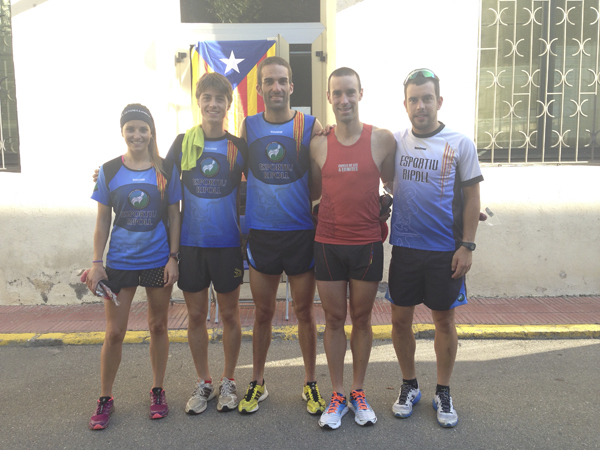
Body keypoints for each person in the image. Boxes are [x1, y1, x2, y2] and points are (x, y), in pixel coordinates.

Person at [388, 69, 483, 428]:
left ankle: (443, 391)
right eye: (413, 99)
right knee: (400, 321)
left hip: (445, 251)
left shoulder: (460, 143)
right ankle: (409, 385)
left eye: (427, 98)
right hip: (405, 248)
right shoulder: (395, 141)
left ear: (439, 101)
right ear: (405, 105)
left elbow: (472, 198)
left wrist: (467, 246)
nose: (420, 106)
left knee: (444, 321)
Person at [236, 56, 326, 415]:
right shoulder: (248, 126)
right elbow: (232, 169)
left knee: (304, 311)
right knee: (263, 313)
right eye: (269, 82)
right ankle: (258, 381)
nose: (276, 87)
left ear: (291, 86)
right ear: (259, 89)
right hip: (262, 234)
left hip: (300, 233)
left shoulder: (310, 125)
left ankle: (310, 383)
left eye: (281, 81)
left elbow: (320, 180)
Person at [309, 67, 395, 430]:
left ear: (360, 93)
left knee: (361, 319)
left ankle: (358, 391)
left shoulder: (383, 140)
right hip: (328, 244)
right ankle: (338, 393)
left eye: (350, 92)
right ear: (329, 97)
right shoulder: (317, 144)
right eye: (337, 93)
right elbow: (314, 192)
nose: (344, 100)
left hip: (367, 245)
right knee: (333, 320)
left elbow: (396, 184)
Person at [86, 104, 182, 430]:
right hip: (120, 263)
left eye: (143, 128)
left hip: (157, 260)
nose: (137, 135)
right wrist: (96, 263)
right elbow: (102, 221)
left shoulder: (166, 169)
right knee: (114, 332)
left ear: (151, 132)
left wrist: (173, 257)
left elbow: (174, 216)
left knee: (158, 327)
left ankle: (157, 390)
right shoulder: (109, 170)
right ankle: (105, 397)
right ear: (122, 132)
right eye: (131, 129)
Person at [165, 73, 248, 415]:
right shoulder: (182, 143)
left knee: (230, 315)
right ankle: (204, 381)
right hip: (191, 245)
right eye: (207, 98)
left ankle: (228, 380)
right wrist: (106, 177)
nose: (213, 104)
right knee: (196, 316)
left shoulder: (238, 147)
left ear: (229, 104)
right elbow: (158, 181)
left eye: (220, 99)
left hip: (227, 244)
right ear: (198, 102)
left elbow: (265, 183)